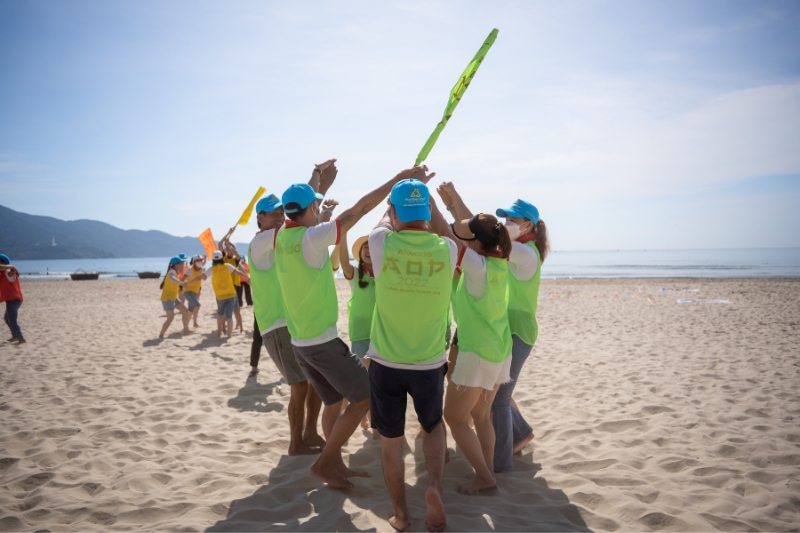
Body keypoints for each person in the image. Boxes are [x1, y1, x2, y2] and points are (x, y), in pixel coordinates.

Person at [275, 162, 427, 493]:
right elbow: (358, 211)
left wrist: (316, 181)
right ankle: (326, 461)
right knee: (365, 396)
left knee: (334, 403)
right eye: (316, 204)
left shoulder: (282, 237)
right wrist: (397, 180)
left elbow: (305, 208)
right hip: (322, 341)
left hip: (300, 343)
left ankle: (337, 466)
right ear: (312, 208)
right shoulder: (311, 238)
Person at [366, 172, 455, 532]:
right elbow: (446, 231)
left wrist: (393, 202)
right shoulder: (447, 249)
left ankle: (401, 515)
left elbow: (382, 222)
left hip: (386, 360)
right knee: (433, 427)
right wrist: (430, 204)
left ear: (394, 210)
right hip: (429, 360)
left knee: (391, 441)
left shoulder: (381, 242)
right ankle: (433, 486)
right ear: (428, 211)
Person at [435, 182, 516, 495]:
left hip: (476, 353)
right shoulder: (498, 260)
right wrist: (453, 200)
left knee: (454, 418)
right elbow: (475, 229)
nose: (461, 233)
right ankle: (488, 467)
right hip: (500, 351)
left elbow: (446, 233)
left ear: (475, 243)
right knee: (481, 415)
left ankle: (484, 476)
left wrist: (427, 200)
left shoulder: (476, 265)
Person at [248, 189, 331, 455]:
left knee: (315, 380)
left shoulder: (282, 239)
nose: (278, 217)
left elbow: (301, 223)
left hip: (295, 320)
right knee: (299, 384)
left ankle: (311, 431)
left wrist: (318, 201)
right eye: (272, 214)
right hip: (276, 324)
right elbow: (299, 224)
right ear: (259, 218)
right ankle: (296, 443)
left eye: (280, 213)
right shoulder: (261, 242)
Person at [491, 198, 549, 472]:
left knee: (499, 398)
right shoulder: (518, 249)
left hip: (519, 331)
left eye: (512, 221)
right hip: (507, 328)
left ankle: (501, 461)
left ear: (528, 225)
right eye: (506, 220)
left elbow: (487, 236)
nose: (506, 224)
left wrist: (454, 202)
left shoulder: (525, 253)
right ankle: (522, 432)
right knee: (500, 387)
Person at [338, 232, 376, 432]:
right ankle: (342, 420)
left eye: (372, 247)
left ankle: (368, 418)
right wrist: (342, 233)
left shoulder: (386, 273)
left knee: (376, 382)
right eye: (365, 248)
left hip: (383, 335)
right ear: (360, 253)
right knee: (361, 382)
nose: (369, 251)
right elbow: (343, 260)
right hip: (361, 334)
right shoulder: (354, 273)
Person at [202, 250, 249, 339]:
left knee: (226, 312)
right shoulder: (227, 265)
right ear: (222, 258)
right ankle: (227, 332)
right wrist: (247, 278)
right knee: (228, 314)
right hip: (230, 292)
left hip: (226, 292)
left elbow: (203, 277)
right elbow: (238, 272)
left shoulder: (214, 268)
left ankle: (226, 331)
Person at [159, 256, 192, 338]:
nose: (182, 265)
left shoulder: (175, 272)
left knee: (185, 311)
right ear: (175, 264)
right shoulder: (172, 271)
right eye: (181, 263)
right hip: (167, 298)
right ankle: (161, 335)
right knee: (170, 318)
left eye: (182, 263)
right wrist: (181, 283)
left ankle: (186, 330)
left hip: (173, 297)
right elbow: (171, 277)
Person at [219, 239, 244, 334]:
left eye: (230, 248)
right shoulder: (223, 259)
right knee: (225, 309)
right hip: (225, 286)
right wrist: (226, 238)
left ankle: (240, 326)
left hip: (236, 286)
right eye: (227, 248)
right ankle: (224, 327)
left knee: (236, 309)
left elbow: (237, 254)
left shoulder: (235, 259)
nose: (228, 249)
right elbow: (220, 244)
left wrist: (230, 246)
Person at [0, 254, 25, 344]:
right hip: (11, 300)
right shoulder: (4, 273)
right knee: (7, 319)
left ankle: (21, 339)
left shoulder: (7, 272)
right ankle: (15, 336)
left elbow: (10, 270)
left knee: (12, 320)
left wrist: (11, 266)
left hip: (14, 300)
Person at [182, 255, 206, 328]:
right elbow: (183, 279)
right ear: (194, 262)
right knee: (197, 305)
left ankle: (186, 326)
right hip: (187, 291)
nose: (200, 262)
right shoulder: (190, 269)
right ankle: (195, 323)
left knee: (191, 310)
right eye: (198, 261)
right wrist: (180, 284)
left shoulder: (201, 269)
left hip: (195, 291)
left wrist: (204, 277)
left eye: (201, 260)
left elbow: (202, 278)